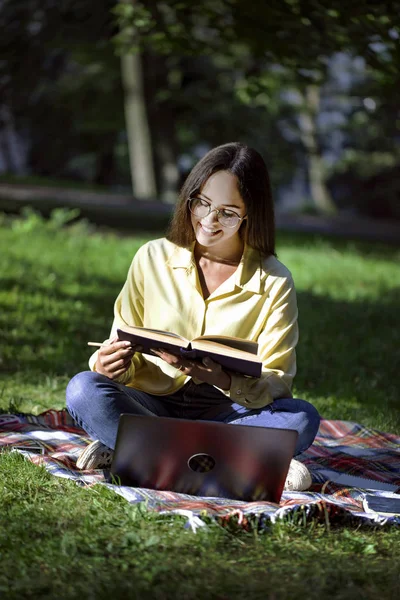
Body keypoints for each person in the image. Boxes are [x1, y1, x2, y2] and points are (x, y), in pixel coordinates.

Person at [66, 142, 320, 491]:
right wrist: (109, 364)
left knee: (302, 417)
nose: (209, 220)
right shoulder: (152, 258)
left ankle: (133, 447)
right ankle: (243, 460)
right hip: (152, 401)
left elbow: (277, 379)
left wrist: (224, 379)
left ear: (250, 215)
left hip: (228, 409)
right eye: (202, 203)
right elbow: (122, 339)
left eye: (228, 212)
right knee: (83, 389)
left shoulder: (274, 280)